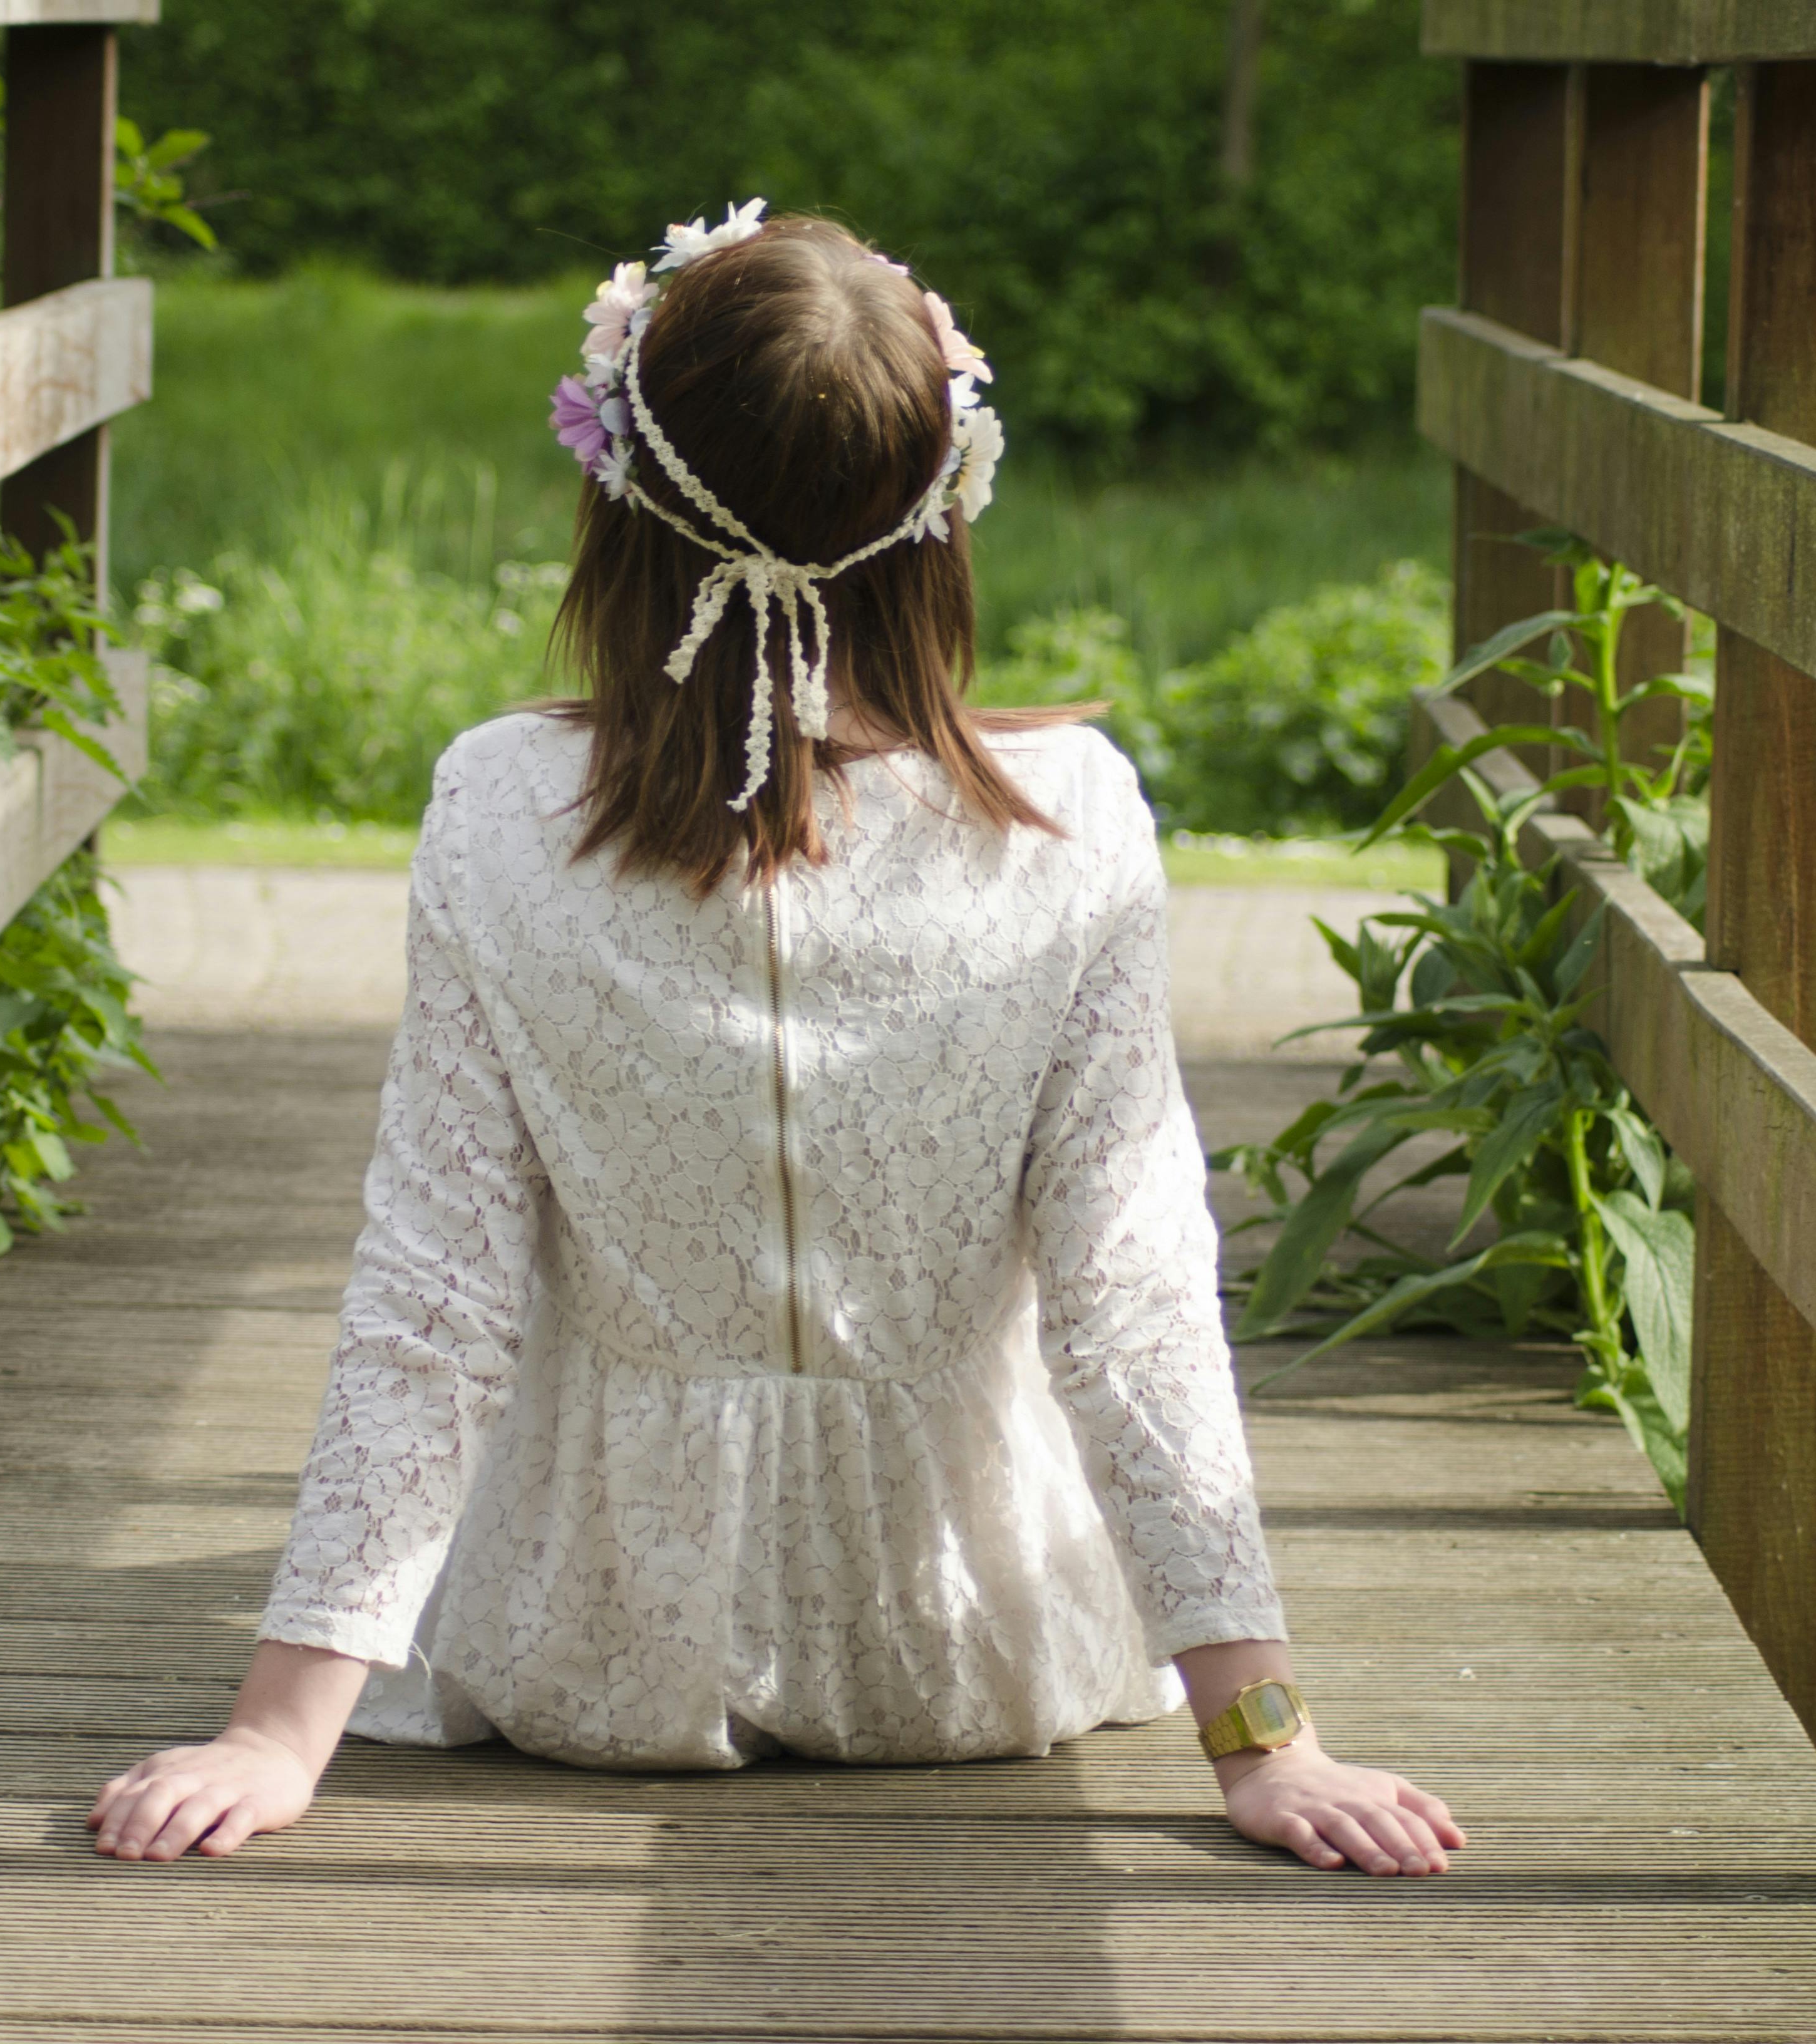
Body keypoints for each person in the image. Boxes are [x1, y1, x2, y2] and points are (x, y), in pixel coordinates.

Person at [91, 204, 1467, 1880]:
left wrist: (274, 1731)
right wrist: (1266, 1742)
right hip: (972, 1648)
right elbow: (1136, 1299)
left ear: (622, 498)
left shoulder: (499, 809)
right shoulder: (1077, 825)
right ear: (950, 510)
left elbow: (433, 1295)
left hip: (592, 1653)